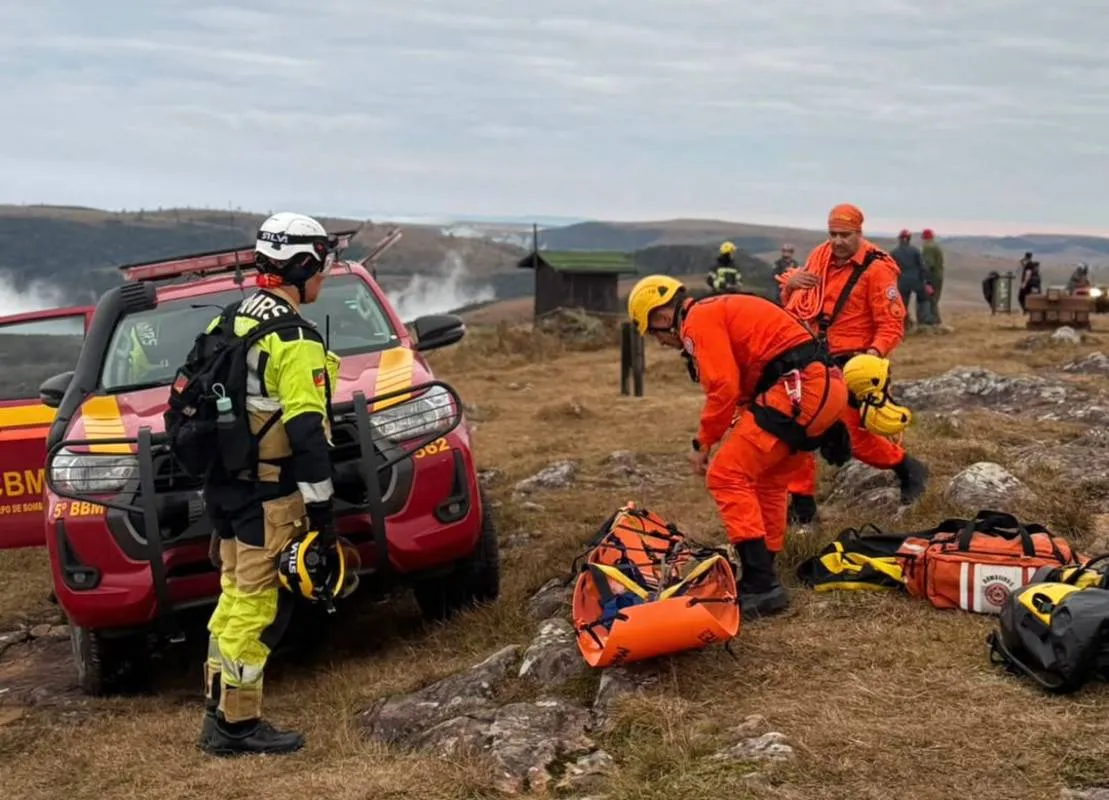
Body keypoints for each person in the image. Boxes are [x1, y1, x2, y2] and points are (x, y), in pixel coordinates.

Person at [197, 211, 340, 757]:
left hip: (228, 490)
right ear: (301, 266)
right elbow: (307, 435)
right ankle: (237, 726)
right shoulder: (294, 339)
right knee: (256, 611)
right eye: (321, 265)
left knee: (233, 599)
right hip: (269, 496)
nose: (324, 276)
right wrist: (323, 517)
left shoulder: (232, 318)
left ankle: (217, 711)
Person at [626, 274, 850, 619]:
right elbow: (748, 384)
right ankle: (765, 569)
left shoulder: (697, 322)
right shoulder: (716, 311)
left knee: (725, 475)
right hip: (820, 389)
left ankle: (762, 584)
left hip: (799, 390)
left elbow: (723, 388)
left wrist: (703, 443)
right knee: (768, 481)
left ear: (661, 316)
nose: (660, 342)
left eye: (654, 333)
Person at [777, 204, 929, 528]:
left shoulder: (877, 270)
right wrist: (792, 285)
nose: (837, 241)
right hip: (815, 358)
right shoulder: (819, 258)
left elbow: (891, 324)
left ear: (859, 233)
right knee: (798, 426)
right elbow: (796, 305)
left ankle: (908, 468)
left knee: (854, 438)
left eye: (845, 235)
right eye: (832, 234)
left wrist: (871, 358)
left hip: (854, 362)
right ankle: (802, 505)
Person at [890, 229, 933, 329]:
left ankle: (904, 325)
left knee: (902, 304)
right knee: (923, 300)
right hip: (917, 281)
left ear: (900, 239)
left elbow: (890, 268)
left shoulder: (894, 253)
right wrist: (928, 282)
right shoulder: (915, 251)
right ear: (909, 239)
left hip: (902, 283)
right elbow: (922, 267)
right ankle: (924, 323)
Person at [920, 229, 945, 324]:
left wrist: (926, 280)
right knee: (934, 299)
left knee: (931, 300)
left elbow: (929, 264)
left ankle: (935, 322)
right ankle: (935, 321)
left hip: (932, 277)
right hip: (938, 276)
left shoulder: (928, 247)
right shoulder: (936, 246)